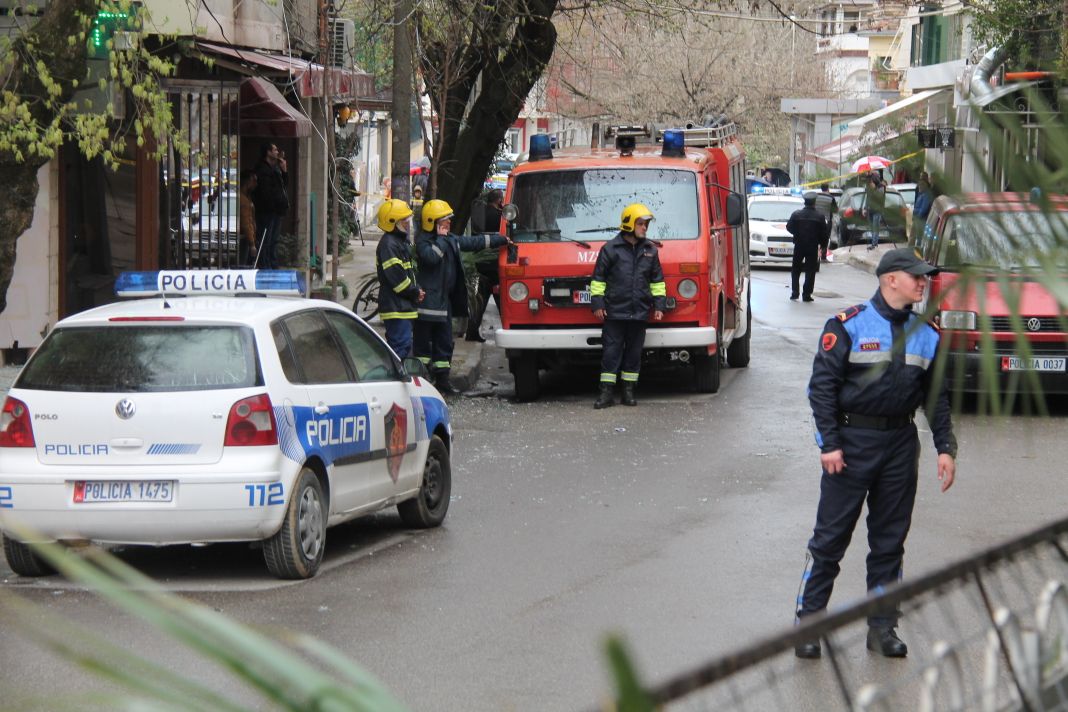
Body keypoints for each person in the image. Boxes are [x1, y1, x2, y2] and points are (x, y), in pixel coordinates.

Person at [793, 248, 957, 660]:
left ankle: (883, 628)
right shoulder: (847, 325)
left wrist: (945, 448)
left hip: (900, 444)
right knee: (830, 541)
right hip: (851, 443)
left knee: (889, 543)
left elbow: (936, 397)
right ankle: (809, 626)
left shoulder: (929, 332)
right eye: (916, 277)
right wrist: (828, 444)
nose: (923, 283)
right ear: (890, 281)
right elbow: (822, 390)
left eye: (925, 277)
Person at [415, 199, 509, 395]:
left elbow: (472, 242)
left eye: (449, 219)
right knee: (423, 347)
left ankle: (442, 381)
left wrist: (500, 240)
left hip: (444, 303)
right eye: (445, 220)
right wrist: (440, 238)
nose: (449, 223)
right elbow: (431, 258)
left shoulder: (449, 239)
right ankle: (421, 381)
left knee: (445, 344)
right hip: (428, 306)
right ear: (432, 222)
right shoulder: (424, 242)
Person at [590, 203, 666, 409]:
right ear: (629, 224)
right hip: (614, 312)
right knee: (611, 354)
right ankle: (606, 394)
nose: (645, 228)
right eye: (641, 224)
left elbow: (657, 281)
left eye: (646, 224)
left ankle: (628, 392)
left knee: (633, 355)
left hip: (639, 312)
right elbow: (598, 279)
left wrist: (659, 306)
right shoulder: (611, 249)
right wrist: (597, 303)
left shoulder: (650, 250)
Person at [375, 199, 425, 358]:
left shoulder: (398, 242)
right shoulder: (389, 245)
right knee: (399, 351)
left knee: (403, 348)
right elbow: (399, 281)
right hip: (396, 308)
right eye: (404, 220)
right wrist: (415, 292)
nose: (407, 223)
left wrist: (416, 291)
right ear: (392, 222)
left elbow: (406, 274)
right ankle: (395, 381)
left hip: (402, 307)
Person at [465, 189, 505, 343]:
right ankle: (509, 329)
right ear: (499, 200)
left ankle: (471, 331)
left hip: (481, 262)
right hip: (495, 263)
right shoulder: (500, 217)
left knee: (480, 299)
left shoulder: (480, 214)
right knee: (502, 301)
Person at [251, 143, 289, 269]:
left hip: (275, 211)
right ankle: (265, 264)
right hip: (267, 211)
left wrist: (284, 171)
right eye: (275, 150)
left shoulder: (275, 169)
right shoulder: (264, 170)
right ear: (268, 152)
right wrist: (273, 205)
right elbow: (267, 193)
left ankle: (271, 263)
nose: (277, 152)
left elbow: (283, 186)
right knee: (266, 240)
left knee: (273, 240)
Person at [787, 194, 828, 302]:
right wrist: (823, 246)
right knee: (810, 270)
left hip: (799, 245)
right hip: (812, 246)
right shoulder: (819, 216)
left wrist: (797, 233)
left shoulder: (796, 214)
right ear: (814, 203)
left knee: (796, 269)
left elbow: (789, 227)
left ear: (804, 202)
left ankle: (795, 292)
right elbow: (824, 233)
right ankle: (806, 294)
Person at [813, 183, 837, 261]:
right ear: (828, 189)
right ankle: (823, 256)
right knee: (825, 238)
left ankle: (814, 254)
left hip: (816, 220)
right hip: (827, 221)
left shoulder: (816, 197)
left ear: (821, 188)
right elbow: (835, 210)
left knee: (816, 237)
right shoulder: (831, 198)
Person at [238, 169, 257, 267]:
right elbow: (246, 222)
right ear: (248, 183)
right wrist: (252, 243)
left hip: (245, 237)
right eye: (253, 181)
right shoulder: (244, 201)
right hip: (244, 238)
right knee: (242, 265)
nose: (255, 184)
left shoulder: (245, 198)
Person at [863, 172, 886, 251]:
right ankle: (873, 243)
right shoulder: (870, 187)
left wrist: (874, 189)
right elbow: (868, 198)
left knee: (876, 227)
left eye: (872, 181)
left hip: (877, 210)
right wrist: (865, 208)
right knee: (872, 227)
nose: (871, 182)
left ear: (875, 180)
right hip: (870, 209)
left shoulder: (881, 187)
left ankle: (874, 244)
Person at [911, 175, 934, 244]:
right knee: (917, 237)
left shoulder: (926, 195)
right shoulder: (921, 194)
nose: (919, 186)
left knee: (919, 238)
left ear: (925, 186)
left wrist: (917, 216)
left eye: (921, 185)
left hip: (921, 219)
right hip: (918, 219)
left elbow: (923, 209)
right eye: (919, 185)